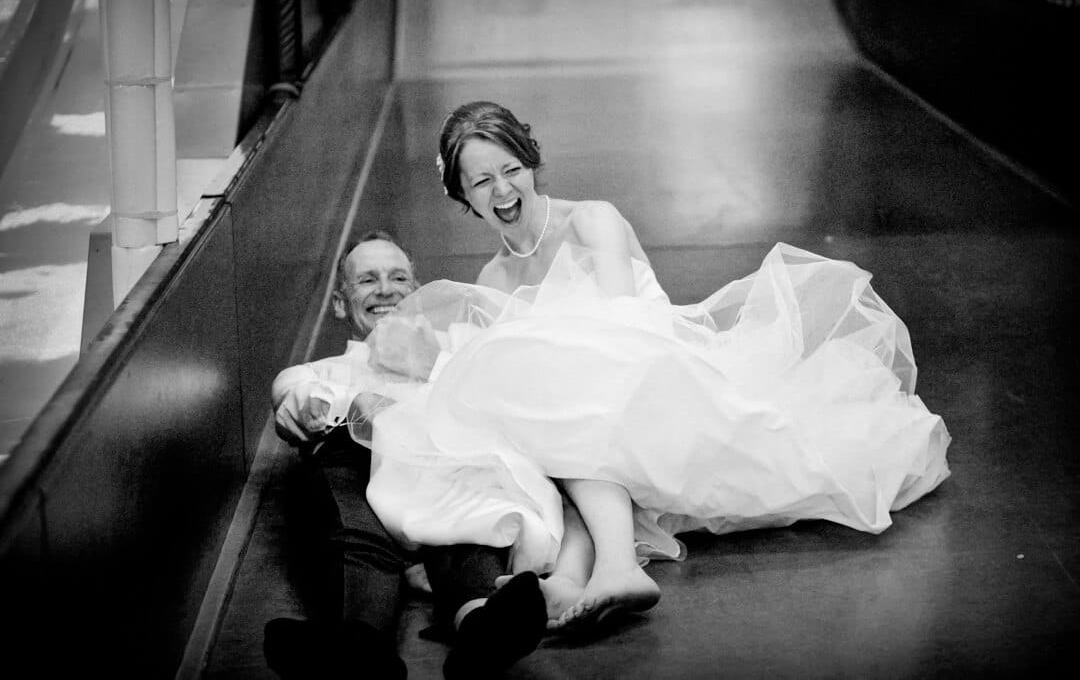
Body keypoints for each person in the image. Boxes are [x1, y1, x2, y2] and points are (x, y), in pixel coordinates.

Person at [364, 101, 952, 633]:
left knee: (563, 410)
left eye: (511, 169)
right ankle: (574, 577)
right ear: (463, 197)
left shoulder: (591, 219)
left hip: (657, 379)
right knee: (540, 426)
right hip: (590, 414)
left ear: (530, 161)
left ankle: (613, 564)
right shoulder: (494, 277)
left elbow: (624, 328)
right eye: (482, 181)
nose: (503, 189)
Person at [263, 230, 547, 680]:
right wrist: (311, 407)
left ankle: (481, 628)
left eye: (399, 278)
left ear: (417, 294)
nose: (385, 290)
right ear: (340, 303)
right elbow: (291, 396)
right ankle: (361, 648)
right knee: (347, 486)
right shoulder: (319, 372)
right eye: (367, 280)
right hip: (362, 487)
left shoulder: (458, 353)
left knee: (469, 502)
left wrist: (429, 367)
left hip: (446, 486)